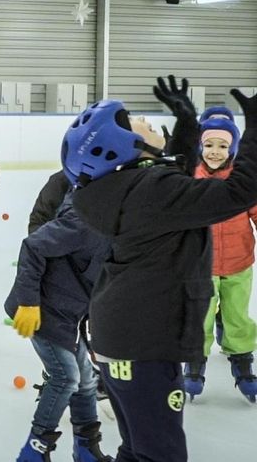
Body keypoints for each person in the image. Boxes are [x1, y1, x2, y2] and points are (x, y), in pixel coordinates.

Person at [66, 77, 257, 461]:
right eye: (130, 120)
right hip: (145, 343)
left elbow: (176, 180)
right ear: (117, 143)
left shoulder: (128, 189)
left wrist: (187, 123)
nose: (142, 119)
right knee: (160, 454)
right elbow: (238, 192)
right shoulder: (151, 191)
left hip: (120, 334)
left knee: (138, 449)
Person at [5, 192, 114, 461]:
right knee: (66, 377)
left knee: (87, 380)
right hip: (41, 312)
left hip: (70, 317)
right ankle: (34, 451)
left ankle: (86, 448)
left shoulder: (118, 232)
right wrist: (29, 303)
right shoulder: (83, 222)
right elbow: (33, 246)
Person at [184, 106, 257, 402]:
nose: (215, 152)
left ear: (234, 148)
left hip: (239, 262)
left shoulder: (242, 179)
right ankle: (195, 361)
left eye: (223, 146)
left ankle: (242, 360)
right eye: (209, 145)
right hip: (201, 265)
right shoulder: (190, 178)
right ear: (200, 145)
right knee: (200, 316)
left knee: (237, 315)